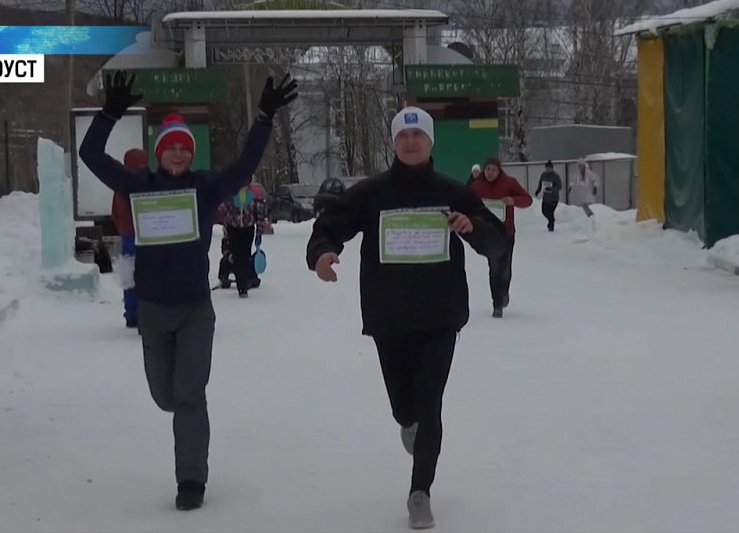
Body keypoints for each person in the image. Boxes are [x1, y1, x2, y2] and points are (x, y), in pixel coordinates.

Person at [79, 70, 297, 511]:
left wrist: (263, 118)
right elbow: (91, 154)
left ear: (190, 154)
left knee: (190, 396)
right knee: (166, 396)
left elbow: (244, 166)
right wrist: (107, 115)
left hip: (196, 309)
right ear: (160, 153)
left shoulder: (204, 188)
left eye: (184, 148)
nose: (177, 153)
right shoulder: (139, 186)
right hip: (155, 310)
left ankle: (191, 481)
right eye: (170, 147)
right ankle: (184, 432)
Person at [306, 106, 506, 530]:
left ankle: (420, 492)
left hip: (440, 314)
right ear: (394, 143)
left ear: (430, 142)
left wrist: (472, 226)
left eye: (419, 135)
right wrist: (323, 253)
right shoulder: (372, 193)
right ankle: (407, 421)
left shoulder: (453, 192)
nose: (411, 142)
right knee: (405, 406)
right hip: (389, 315)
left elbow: (495, 242)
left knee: (430, 403)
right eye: (403, 136)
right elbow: (330, 224)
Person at [470, 157, 533, 318]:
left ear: (499, 171)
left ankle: (504, 292)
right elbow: (468, 203)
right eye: (488, 169)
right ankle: (496, 304)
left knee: (505, 268)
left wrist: (513, 200)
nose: (490, 173)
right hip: (488, 234)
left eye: (494, 169)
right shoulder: (477, 186)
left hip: (507, 232)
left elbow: (527, 200)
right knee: (494, 268)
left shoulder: (509, 183)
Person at [110, 148, 148, 329]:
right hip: (144, 235)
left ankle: (131, 313)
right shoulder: (145, 182)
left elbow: (114, 212)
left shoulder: (120, 184)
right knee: (146, 274)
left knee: (130, 275)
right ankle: (145, 312)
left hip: (127, 234)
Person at [214, 182, 267, 297]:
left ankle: (245, 280)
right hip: (234, 229)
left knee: (244, 255)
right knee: (237, 256)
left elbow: (260, 216)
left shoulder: (255, 195)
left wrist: (259, 234)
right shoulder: (231, 193)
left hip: (247, 230)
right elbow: (223, 210)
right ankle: (242, 286)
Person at [534, 160, 563, 232]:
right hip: (546, 197)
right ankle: (551, 221)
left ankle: (551, 226)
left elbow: (559, 186)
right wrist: (538, 190)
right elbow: (540, 183)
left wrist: (552, 188)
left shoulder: (556, 176)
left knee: (550, 212)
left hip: (553, 198)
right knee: (544, 211)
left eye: (549, 168)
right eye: (546, 168)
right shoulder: (543, 175)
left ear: (552, 168)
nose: (547, 169)